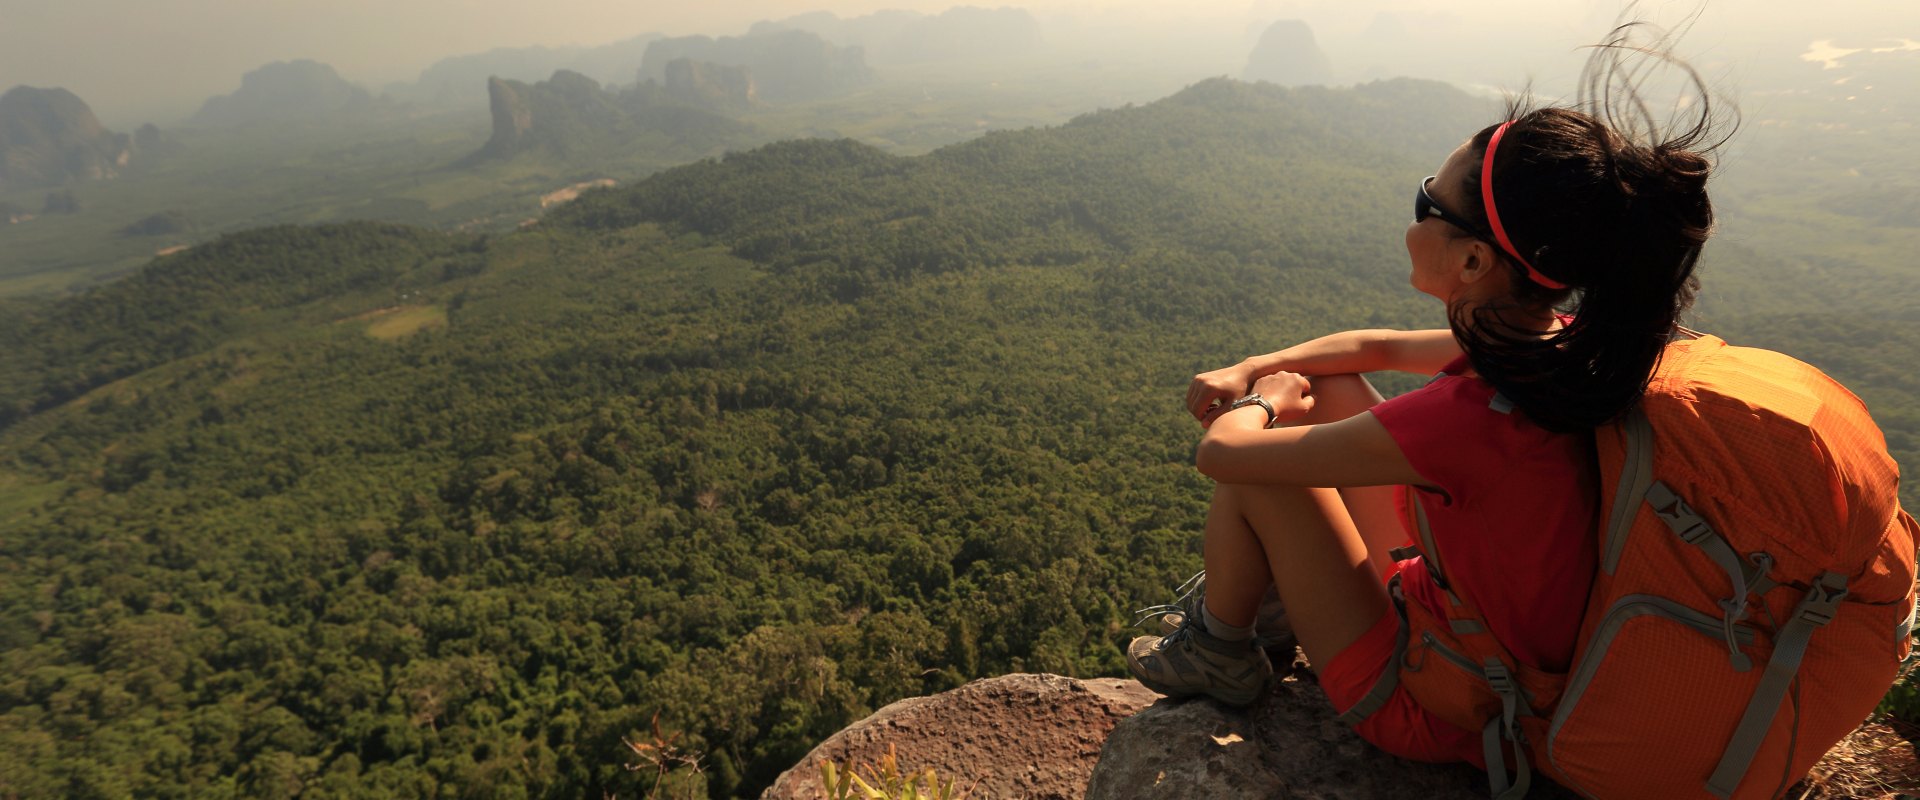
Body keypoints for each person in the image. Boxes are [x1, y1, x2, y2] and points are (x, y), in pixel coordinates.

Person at [1124, 26, 1725, 766]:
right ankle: (1276, 608)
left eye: (1426, 199)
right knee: (1330, 386)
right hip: (1464, 626)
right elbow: (1367, 351)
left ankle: (1222, 646)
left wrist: (1265, 399)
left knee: (1255, 472)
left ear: (1472, 259)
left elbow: (1219, 455)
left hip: (1434, 705)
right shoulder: (1554, 344)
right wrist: (1258, 363)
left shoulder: (1465, 421)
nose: (1414, 211)